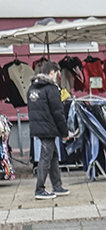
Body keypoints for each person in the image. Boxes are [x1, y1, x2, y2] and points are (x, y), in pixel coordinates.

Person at [26, 60, 70, 200]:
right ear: (52, 72)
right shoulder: (51, 89)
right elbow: (58, 113)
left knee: (53, 156)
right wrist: (65, 133)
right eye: (57, 73)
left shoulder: (33, 88)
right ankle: (40, 189)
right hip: (48, 128)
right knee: (46, 158)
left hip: (37, 127)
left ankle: (57, 185)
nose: (58, 76)